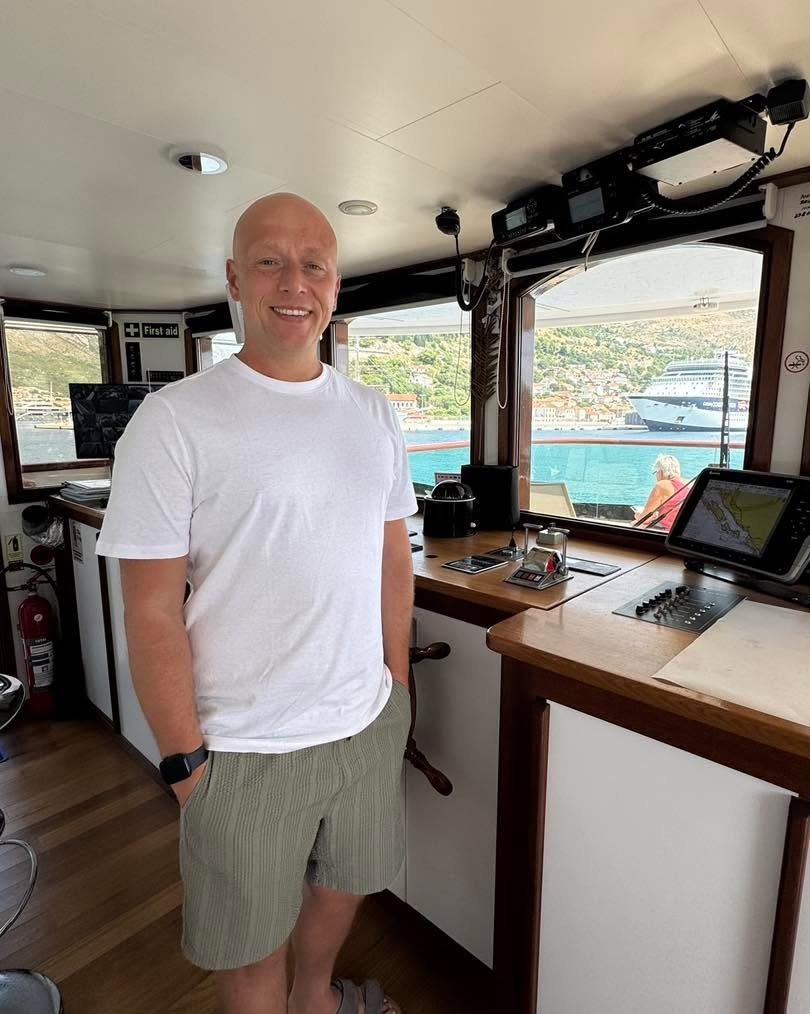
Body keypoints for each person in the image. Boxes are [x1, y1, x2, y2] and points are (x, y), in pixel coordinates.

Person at [96, 193, 417, 1014]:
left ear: (335, 286)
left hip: (364, 721)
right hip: (240, 744)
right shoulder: (173, 421)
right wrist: (184, 764)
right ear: (236, 279)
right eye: (270, 262)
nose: (294, 283)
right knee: (247, 951)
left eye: (314, 265)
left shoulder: (374, 413)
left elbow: (392, 558)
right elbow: (150, 611)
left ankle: (316, 998)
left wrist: (397, 685)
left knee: (344, 885)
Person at [634, 453, 690, 531]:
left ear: (660, 472)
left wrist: (637, 515)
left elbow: (644, 519)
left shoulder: (662, 485)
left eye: (655, 473)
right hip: (685, 529)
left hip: (669, 531)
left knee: (634, 524)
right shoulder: (690, 483)